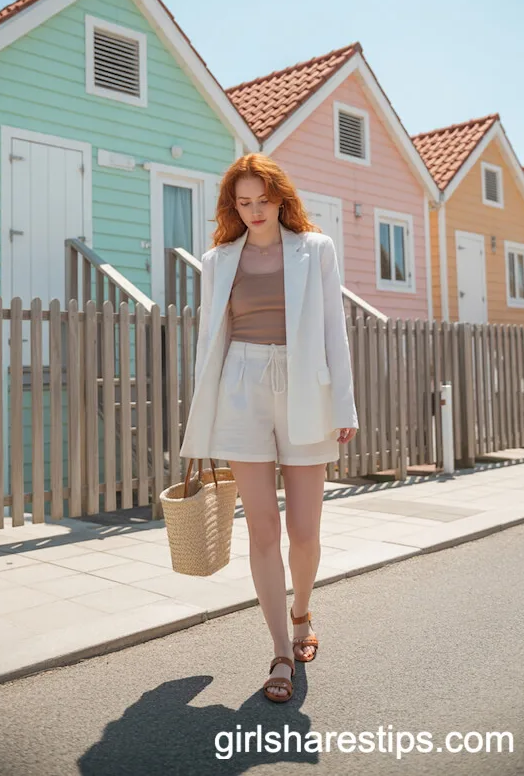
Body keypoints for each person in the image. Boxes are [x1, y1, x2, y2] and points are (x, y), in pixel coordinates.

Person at [179, 153, 358, 703]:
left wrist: (345, 407)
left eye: (263, 200)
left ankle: (302, 612)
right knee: (263, 530)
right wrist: (205, 413)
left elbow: (334, 328)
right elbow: (210, 340)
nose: (255, 211)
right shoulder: (217, 260)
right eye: (244, 202)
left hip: (306, 388)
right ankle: (281, 650)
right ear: (233, 207)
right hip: (240, 387)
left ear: (280, 199)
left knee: (304, 532)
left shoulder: (316, 249)